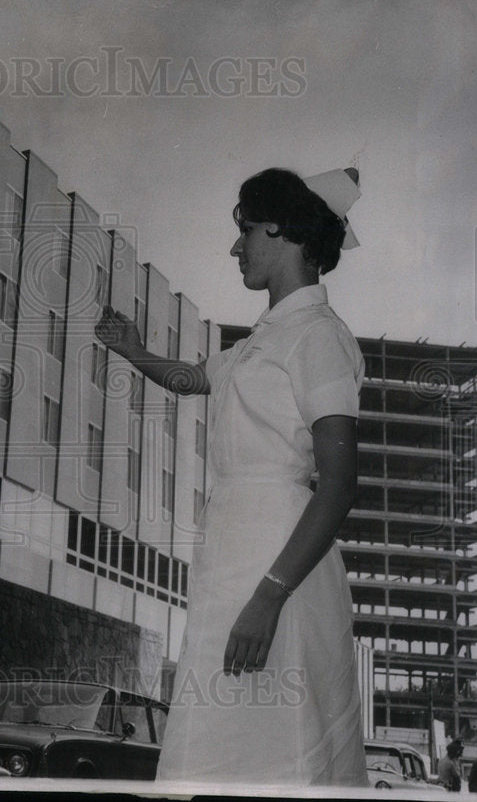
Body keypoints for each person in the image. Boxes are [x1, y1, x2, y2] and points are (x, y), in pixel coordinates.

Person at [95, 167, 368, 786]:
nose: (234, 246)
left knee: (278, 750)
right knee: (220, 745)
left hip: (279, 568)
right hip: (233, 556)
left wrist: (270, 596)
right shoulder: (260, 342)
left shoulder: (319, 337)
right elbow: (192, 379)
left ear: (280, 229)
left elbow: (340, 483)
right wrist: (131, 348)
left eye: (244, 229)